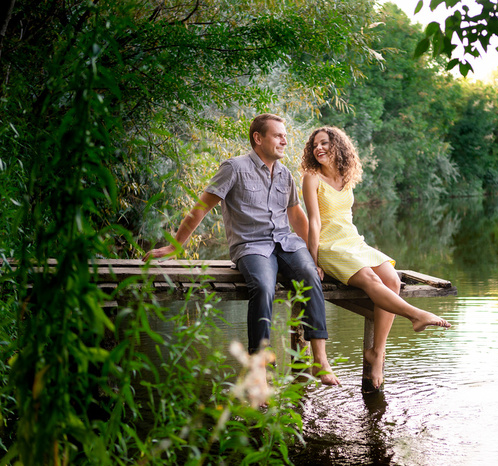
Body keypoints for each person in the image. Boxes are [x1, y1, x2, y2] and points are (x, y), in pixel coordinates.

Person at [143, 114, 340, 385]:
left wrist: (315, 258)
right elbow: (201, 208)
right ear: (258, 139)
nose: (285, 140)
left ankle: (320, 360)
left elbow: (297, 218)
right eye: (278, 135)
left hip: (286, 243)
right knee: (262, 286)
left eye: (285, 135)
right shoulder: (234, 168)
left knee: (309, 274)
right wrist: (175, 247)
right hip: (251, 246)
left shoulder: (285, 174)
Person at [301, 126, 451, 390]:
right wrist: (312, 262)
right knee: (371, 278)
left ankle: (377, 353)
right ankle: (416, 315)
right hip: (329, 245)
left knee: (392, 279)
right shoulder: (311, 178)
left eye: (324, 143)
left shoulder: (346, 178)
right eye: (315, 145)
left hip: (353, 242)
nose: (318, 149)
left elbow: (345, 218)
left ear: (338, 146)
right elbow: (314, 223)